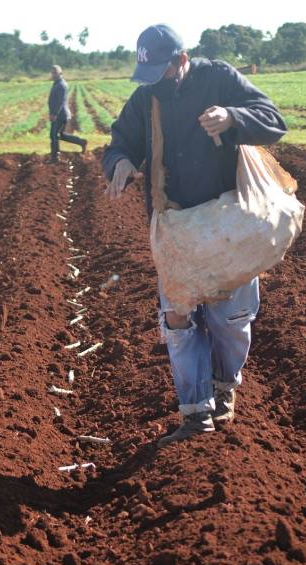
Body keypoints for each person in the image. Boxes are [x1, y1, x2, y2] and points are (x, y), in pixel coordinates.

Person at [102, 24, 287, 448]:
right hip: (176, 227)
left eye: (162, 72)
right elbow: (120, 142)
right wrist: (121, 163)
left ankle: (225, 388)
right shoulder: (146, 96)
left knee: (231, 321)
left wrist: (233, 117)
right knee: (179, 322)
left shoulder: (218, 78)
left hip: (230, 227)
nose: (156, 83)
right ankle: (195, 413)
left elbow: (274, 121)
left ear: (181, 60)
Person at [48, 65, 87, 163]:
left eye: (55, 73)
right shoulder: (57, 83)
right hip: (59, 114)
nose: (53, 75)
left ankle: (55, 158)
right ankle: (81, 141)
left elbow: (60, 102)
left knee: (54, 135)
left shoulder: (61, 85)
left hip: (60, 115)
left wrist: (54, 114)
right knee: (61, 135)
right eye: (52, 73)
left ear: (60, 74)